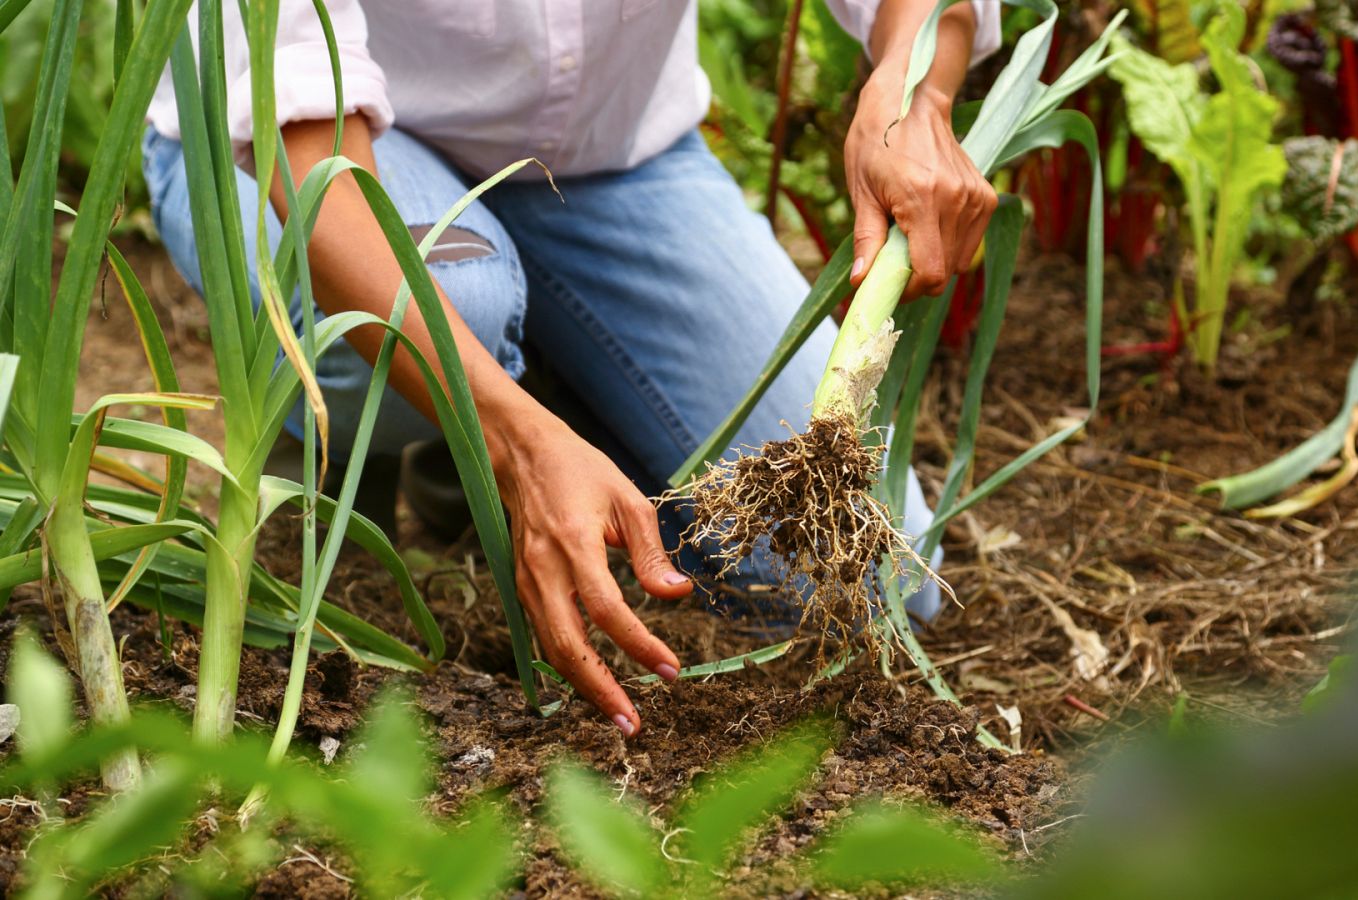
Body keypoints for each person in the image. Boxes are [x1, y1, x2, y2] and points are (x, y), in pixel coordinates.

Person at [142, 0, 999, 738]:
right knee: (461, 299)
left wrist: (913, 95)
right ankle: (361, 463)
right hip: (301, 151)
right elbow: (308, 155)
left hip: (608, 169)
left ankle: (536, 397)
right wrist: (513, 445)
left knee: (866, 579)